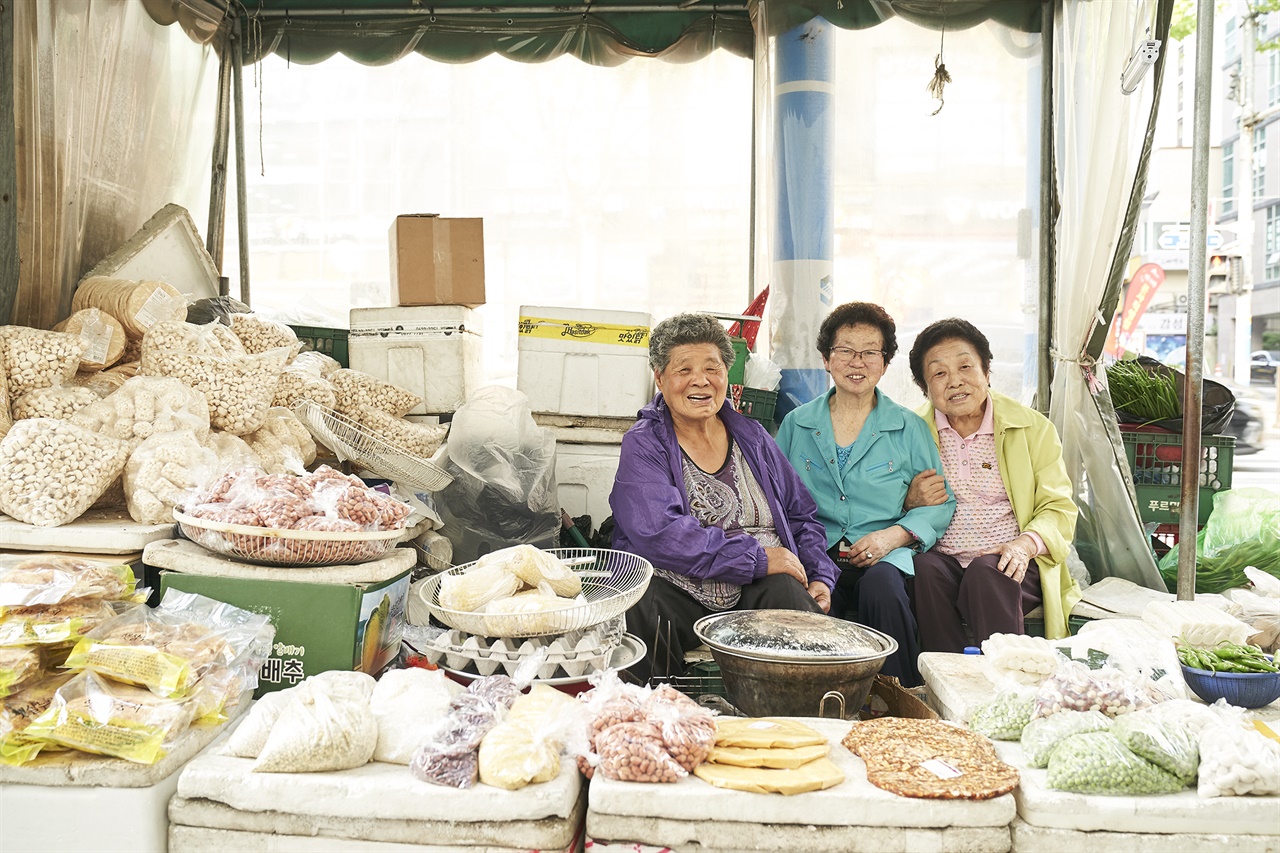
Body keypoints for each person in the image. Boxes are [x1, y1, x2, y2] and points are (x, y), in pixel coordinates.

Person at [611, 313, 837, 684]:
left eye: (712, 368)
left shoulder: (753, 436)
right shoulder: (645, 442)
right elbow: (659, 534)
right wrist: (757, 559)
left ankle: (807, 715)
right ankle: (654, 718)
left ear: (725, 376)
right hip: (678, 591)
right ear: (660, 378)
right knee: (642, 601)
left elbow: (802, 515)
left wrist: (818, 576)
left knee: (790, 597)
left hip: (756, 587)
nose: (700, 380)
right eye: (684, 369)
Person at [775, 302, 955, 687]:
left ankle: (902, 699)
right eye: (846, 350)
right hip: (815, 553)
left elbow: (942, 504)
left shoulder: (908, 427)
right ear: (826, 359)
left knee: (883, 589)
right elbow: (777, 497)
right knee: (804, 599)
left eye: (870, 352)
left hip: (886, 555)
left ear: (885, 363)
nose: (858, 362)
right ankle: (817, 703)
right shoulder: (797, 424)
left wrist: (893, 536)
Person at [904, 318, 1080, 650]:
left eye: (965, 367)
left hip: (1011, 561)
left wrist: (1024, 545)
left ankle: (1006, 680)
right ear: (925, 386)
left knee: (987, 573)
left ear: (986, 371)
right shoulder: (911, 432)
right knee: (924, 569)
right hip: (945, 559)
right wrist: (908, 501)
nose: (955, 382)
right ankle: (945, 679)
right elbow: (882, 503)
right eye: (939, 373)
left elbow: (1058, 509)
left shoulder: (1031, 428)